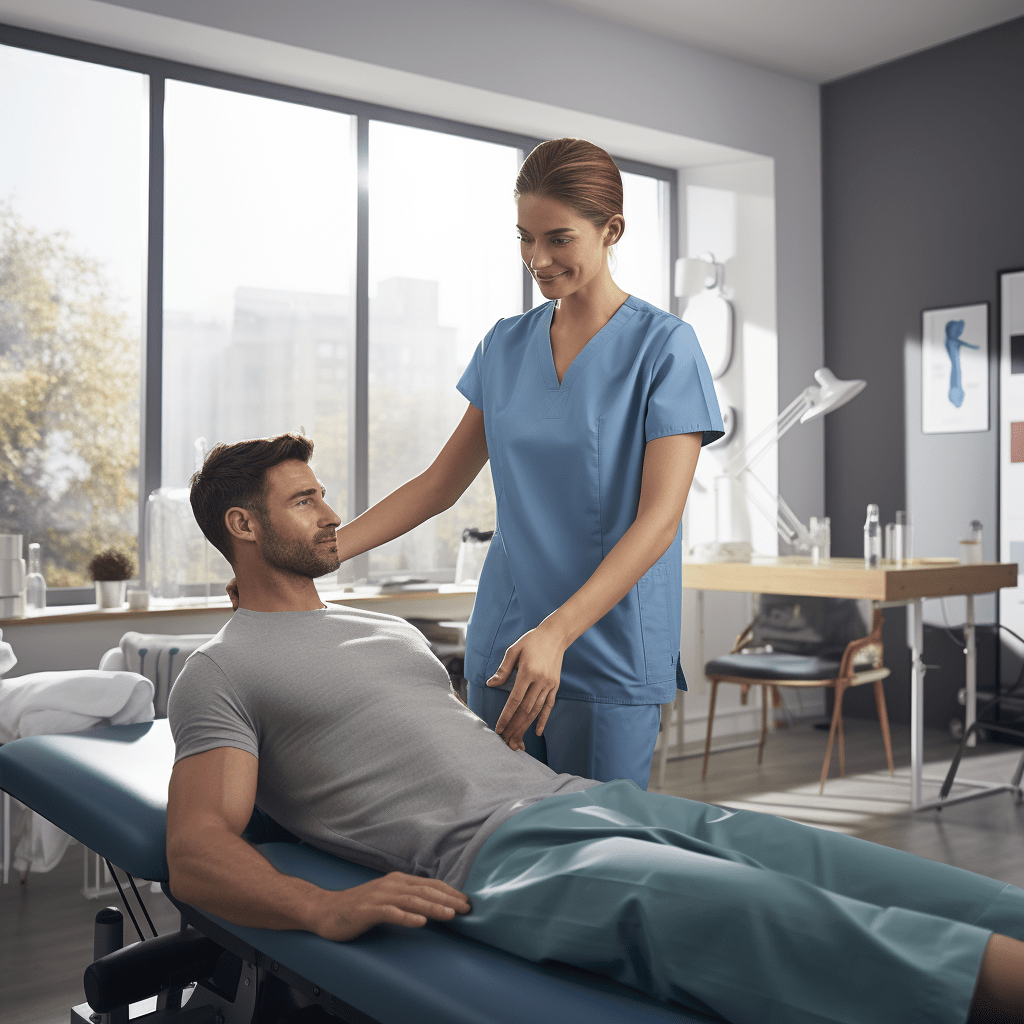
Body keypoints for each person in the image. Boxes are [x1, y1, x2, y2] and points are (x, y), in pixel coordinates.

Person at [170, 434, 1024, 1024]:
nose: (331, 514)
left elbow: (424, 742)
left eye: (323, 495)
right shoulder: (223, 668)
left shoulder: (389, 629)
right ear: (243, 527)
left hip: (585, 801)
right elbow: (199, 850)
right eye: (305, 501)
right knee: (771, 915)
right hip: (504, 859)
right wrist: (324, 907)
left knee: (843, 863)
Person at [327, 138, 724, 788]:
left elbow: (659, 522)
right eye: (524, 238)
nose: (537, 259)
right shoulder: (505, 345)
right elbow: (438, 484)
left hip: (604, 649)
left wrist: (557, 633)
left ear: (611, 230)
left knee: (596, 857)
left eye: (559, 239)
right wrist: (322, 553)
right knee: (496, 846)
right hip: (506, 644)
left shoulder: (665, 350)